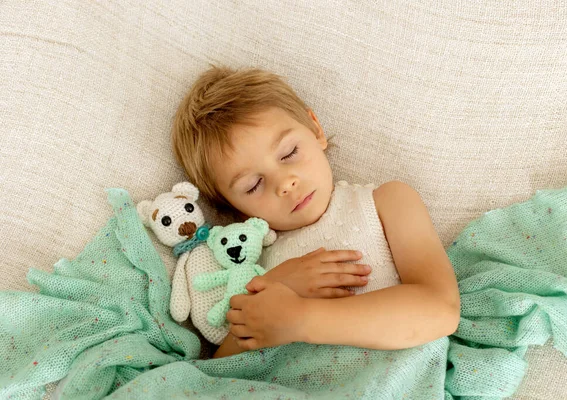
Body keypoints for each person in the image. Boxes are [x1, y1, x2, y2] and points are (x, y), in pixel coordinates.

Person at [170, 63, 460, 359]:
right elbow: (222, 368)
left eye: (289, 153)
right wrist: (276, 284)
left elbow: (441, 309)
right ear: (235, 209)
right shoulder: (255, 265)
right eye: (253, 185)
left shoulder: (388, 202)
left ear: (315, 129)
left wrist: (303, 318)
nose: (285, 183)